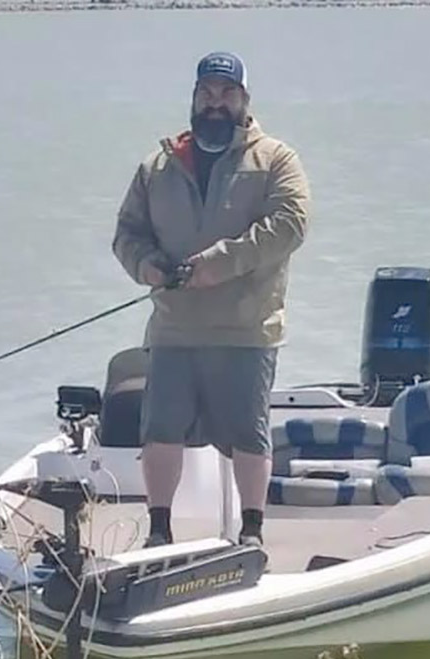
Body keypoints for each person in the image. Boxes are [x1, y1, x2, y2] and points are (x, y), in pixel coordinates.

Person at [111, 51, 311, 548]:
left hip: (246, 329)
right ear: (194, 99)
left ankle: (252, 532)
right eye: (207, 94)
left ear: (244, 100)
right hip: (174, 328)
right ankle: (159, 531)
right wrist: (147, 266)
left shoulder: (276, 159)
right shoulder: (157, 165)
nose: (215, 103)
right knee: (160, 430)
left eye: (227, 94)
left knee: (249, 432)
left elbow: (290, 225)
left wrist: (215, 265)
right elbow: (127, 234)